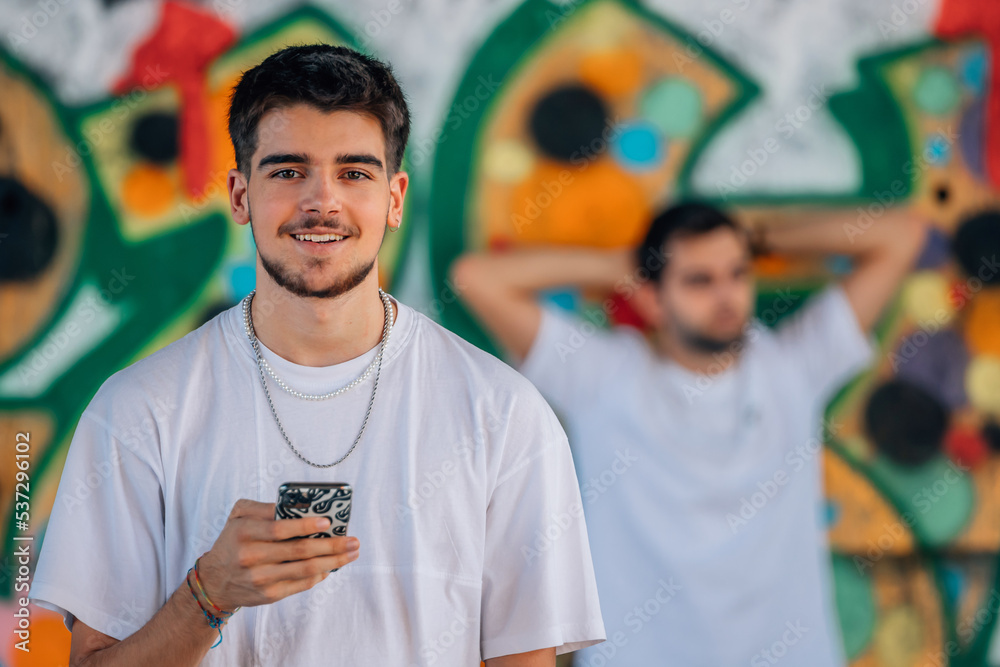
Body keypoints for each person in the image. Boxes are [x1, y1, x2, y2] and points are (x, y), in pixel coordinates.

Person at [29, 44, 606, 667]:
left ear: (395, 197)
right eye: (287, 171)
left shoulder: (503, 413)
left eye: (355, 173)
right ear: (240, 194)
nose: (321, 200)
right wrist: (208, 595)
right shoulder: (138, 410)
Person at [451, 202, 928, 666]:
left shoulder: (792, 370)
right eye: (699, 280)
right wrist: (626, 264)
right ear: (651, 297)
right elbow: (476, 278)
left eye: (738, 273)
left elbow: (901, 236)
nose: (726, 294)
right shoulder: (603, 380)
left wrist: (757, 239)